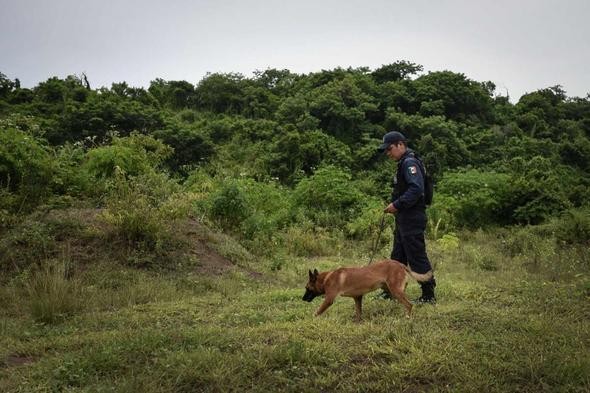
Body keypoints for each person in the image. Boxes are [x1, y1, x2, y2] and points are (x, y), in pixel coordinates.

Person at [378, 131, 436, 304]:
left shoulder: (410, 162)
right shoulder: (403, 162)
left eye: (389, 149)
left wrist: (397, 205)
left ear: (400, 144)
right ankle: (392, 291)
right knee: (397, 257)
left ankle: (428, 294)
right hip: (404, 217)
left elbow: (416, 189)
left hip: (412, 217)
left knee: (416, 256)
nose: (388, 153)